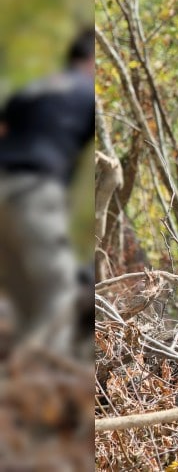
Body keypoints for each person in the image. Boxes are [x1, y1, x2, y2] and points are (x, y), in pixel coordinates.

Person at [0, 28, 95, 352]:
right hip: (34, 193)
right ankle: (43, 390)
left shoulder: (30, 90)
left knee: (26, 305)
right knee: (59, 295)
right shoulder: (87, 91)